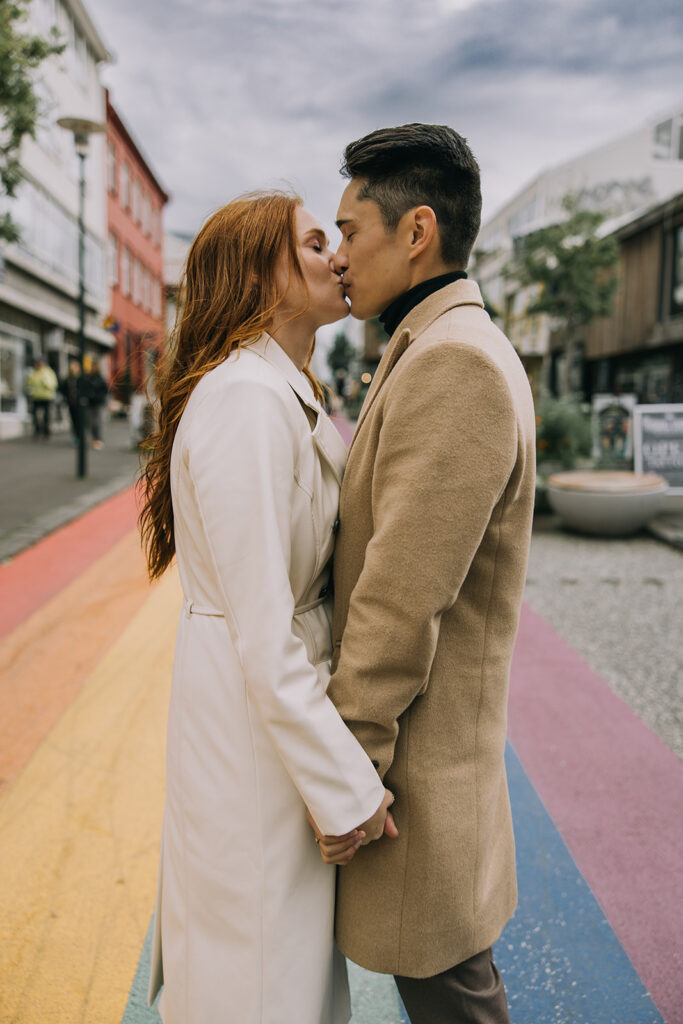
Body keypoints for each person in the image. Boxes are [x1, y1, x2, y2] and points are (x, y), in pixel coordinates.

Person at [138, 192, 395, 1024]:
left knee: (268, 958)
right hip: (256, 726)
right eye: (315, 243)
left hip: (265, 716)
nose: (337, 258)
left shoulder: (278, 391)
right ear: (260, 273)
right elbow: (262, 627)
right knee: (255, 967)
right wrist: (348, 789)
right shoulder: (246, 399)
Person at [314, 124, 536, 1024]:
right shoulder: (434, 345)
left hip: (416, 779)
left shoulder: (451, 363)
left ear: (415, 233)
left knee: (453, 997)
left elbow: (402, 598)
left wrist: (347, 769)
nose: (336, 259)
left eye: (348, 232)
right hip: (430, 767)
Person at [25, 357, 58, 439]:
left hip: (46, 396)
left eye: (39, 363)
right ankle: (37, 431)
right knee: (35, 415)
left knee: (46, 416)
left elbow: (53, 384)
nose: (38, 365)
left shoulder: (48, 372)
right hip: (35, 396)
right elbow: (28, 383)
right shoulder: (33, 372)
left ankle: (46, 432)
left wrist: (45, 382)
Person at [81, 356, 108, 449]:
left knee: (97, 422)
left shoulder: (100, 378)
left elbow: (105, 390)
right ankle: (94, 438)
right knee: (90, 422)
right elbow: (84, 388)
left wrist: (99, 396)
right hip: (90, 402)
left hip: (98, 403)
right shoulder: (88, 378)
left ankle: (98, 439)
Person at [59, 359, 82, 445]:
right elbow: (62, 388)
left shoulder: (81, 378)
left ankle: (80, 437)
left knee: (80, 421)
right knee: (74, 421)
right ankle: (76, 437)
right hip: (71, 403)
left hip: (80, 404)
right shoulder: (68, 379)